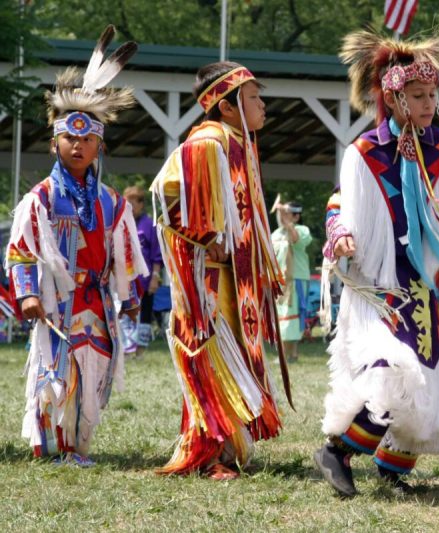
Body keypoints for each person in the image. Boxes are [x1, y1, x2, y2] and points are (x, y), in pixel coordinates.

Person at [314, 30, 439, 497]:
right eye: (418, 95)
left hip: (429, 281)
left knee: (431, 373)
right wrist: (342, 234)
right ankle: (339, 451)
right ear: (393, 97)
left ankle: (393, 470)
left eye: (433, 94)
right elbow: (343, 206)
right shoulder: (364, 154)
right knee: (394, 369)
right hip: (382, 281)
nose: (429, 103)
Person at [6, 26, 146, 465]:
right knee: (56, 371)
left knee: (94, 370)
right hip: (58, 301)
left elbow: (126, 257)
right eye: (71, 138)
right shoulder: (41, 199)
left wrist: (133, 296)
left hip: (97, 302)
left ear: (99, 145)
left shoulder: (112, 202)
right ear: (55, 143)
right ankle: (51, 446)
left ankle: (78, 445)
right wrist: (28, 292)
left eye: (88, 140)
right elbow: (22, 250)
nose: (79, 146)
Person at [151, 61, 291, 480]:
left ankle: (226, 448)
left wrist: (261, 266)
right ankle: (206, 454)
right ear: (227, 107)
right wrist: (202, 237)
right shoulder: (207, 143)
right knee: (210, 359)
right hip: (208, 279)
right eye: (253, 98)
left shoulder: (237, 144)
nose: (262, 105)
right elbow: (164, 196)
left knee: (230, 361)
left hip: (234, 279)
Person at [120, 185, 163, 357]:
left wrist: (155, 277)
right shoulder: (122, 224)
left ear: (141, 204)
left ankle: (140, 350)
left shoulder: (150, 225)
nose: (129, 208)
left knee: (144, 314)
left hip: (145, 280)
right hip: (125, 279)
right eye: (126, 204)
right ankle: (126, 348)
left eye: (132, 204)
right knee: (123, 312)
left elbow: (156, 255)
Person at [272, 200, 313, 362]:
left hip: (296, 279)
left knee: (293, 316)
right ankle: (286, 354)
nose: (282, 216)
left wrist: (289, 224)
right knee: (281, 316)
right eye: (282, 213)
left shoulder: (302, 230)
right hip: (280, 280)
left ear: (296, 216)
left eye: (287, 213)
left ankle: (289, 354)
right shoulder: (275, 234)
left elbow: (295, 240)